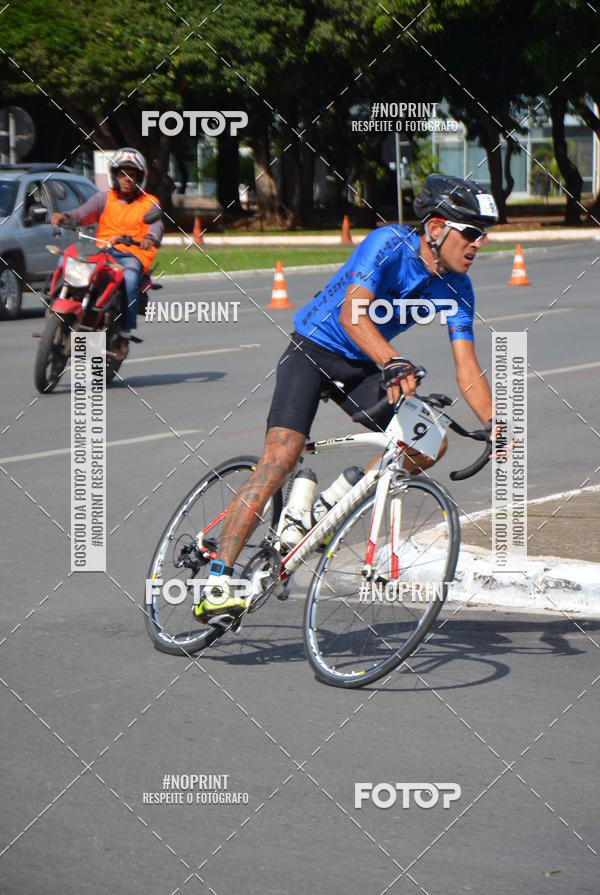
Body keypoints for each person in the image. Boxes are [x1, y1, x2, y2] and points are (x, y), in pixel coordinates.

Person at [195, 173, 500, 624]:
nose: (478, 243)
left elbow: (467, 366)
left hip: (363, 366)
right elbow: (352, 314)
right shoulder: (389, 244)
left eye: (483, 235)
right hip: (313, 350)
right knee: (280, 458)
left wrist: (496, 423)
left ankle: (329, 508)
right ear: (436, 228)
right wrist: (393, 360)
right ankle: (218, 579)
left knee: (427, 442)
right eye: (471, 232)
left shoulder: (458, 288)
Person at [51, 148, 164, 361]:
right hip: (103, 251)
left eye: (132, 174)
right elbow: (83, 213)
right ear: (115, 176)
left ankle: (124, 335)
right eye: (123, 174)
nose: (127, 179)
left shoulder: (150, 202)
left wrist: (150, 238)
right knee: (65, 259)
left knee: (130, 280)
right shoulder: (104, 198)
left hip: (132, 255)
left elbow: (156, 226)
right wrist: (66, 216)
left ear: (140, 178)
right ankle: (54, 304)